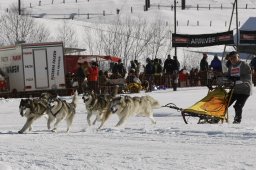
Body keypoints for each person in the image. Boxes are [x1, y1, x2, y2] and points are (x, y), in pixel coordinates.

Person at [226, 51, 253, 124]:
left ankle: (237, 120)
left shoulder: (244, 64)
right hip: (235, 90)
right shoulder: (230, 66)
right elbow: (229, 77)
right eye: (231, 59)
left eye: (234, 57)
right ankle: (217, 117)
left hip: (245, 90)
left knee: (238, 106)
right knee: (225, 103)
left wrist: (238, 79)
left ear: (238, 57)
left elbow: (248, 77)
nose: (233, 60)